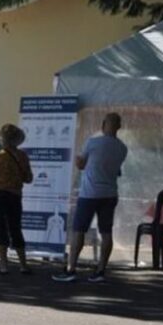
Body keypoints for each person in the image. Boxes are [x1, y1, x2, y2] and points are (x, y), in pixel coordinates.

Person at [53, 113, 127, 283]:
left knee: (79, 230)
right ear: (119, 127)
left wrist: (79, 161)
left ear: (103, 124)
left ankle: (71, 268)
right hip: (110, 194)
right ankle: (101, 270)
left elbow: (81, 164)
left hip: (89, 194)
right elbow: (116, 170)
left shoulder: (93, 142)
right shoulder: (122, 148)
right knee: (106, 232)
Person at [0, 123, 33, 275]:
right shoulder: (22, 156)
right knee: (15, 228)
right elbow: (28, 178)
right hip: (15, 196)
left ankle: (3, 265)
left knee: (0, 230)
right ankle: (23, 265)